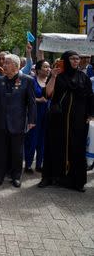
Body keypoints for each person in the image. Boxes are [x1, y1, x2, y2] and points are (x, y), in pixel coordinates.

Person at [39, 51, 93, 192]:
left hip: (78, 121)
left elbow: (90, 97)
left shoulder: (83, 77)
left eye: (77, 58)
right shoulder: (58, 75)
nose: (76, 61)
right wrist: (54, 76)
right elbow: (48, 94)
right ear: (65, 60)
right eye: (72, 59)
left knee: (76, 148)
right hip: (58, 119)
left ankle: (76, 181)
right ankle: (49, 177)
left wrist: (90, 114)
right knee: (54, 146)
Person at [0, 54, 36, 188]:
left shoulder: (27, 80)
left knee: (17, 153)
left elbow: (31, 103)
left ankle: (16, 176)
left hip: (18, 123)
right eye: (4, 63)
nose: (3, 65)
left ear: (16, 66)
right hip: (1, 123)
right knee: (1, 151)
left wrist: (31, 120)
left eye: (7, 63)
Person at [24, 60, 50, 173]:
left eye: (49, 67)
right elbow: (25, 97)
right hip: (35, 114)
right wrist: (38, 100)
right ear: (38, 69)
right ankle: (28, 165)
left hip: (47, 115)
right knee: (32, 140)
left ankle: (39, 164)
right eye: (45, 67)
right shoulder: (32, 81)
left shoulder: (51, 80)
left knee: (43, 140)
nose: (48, 69)